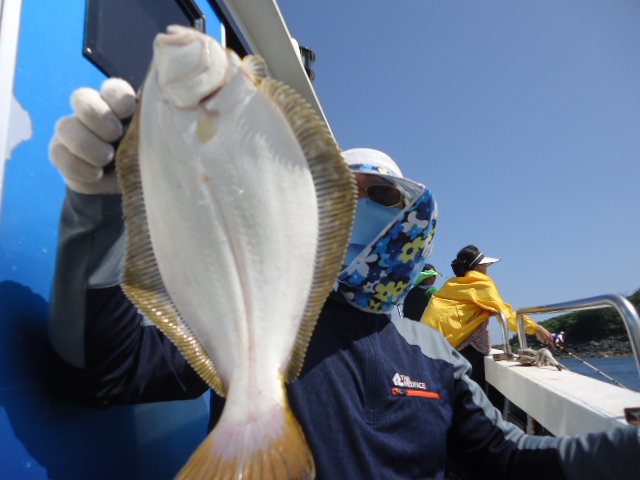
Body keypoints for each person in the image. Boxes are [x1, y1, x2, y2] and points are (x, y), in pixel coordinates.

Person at [47, 79, 640, 480]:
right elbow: (104, 369)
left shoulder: (436, 353)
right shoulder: (257, 322)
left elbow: (506, 460)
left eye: (382, 196)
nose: (359, 205)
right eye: (338, 191)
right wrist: (100, 210)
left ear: (410, 217)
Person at [421, 245, 555, 389]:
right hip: (462, 348)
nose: (487, 269)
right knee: (473, 393)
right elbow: (506, 316)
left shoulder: (451, 284)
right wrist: (536, 328)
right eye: (486, 265)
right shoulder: (481, 283)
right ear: (479, 267)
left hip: (430, 344)